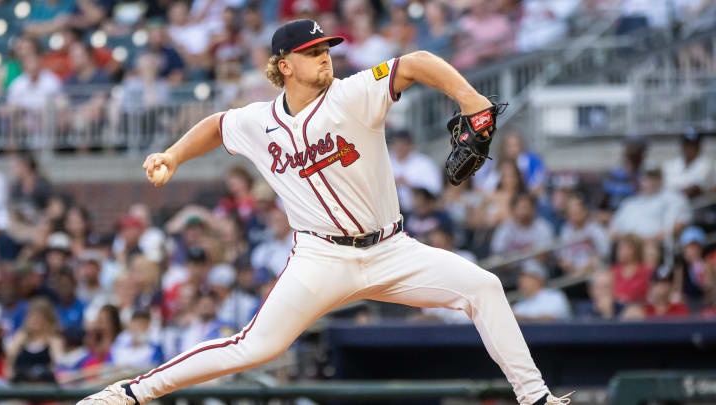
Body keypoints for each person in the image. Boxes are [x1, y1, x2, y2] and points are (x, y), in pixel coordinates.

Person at [79, 19, 572, 405]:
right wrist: (172, 155)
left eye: (326, 50)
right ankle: (130, 393)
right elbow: (217, 124)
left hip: (392, 249)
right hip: (321, 259)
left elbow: (417, 61)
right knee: (257, 347)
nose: (324, 58)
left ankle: (535, 398)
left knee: (483, 287)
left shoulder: (355, 93)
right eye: (312, 53)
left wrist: (471, 99)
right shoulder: (259, 121)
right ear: (284, 65)